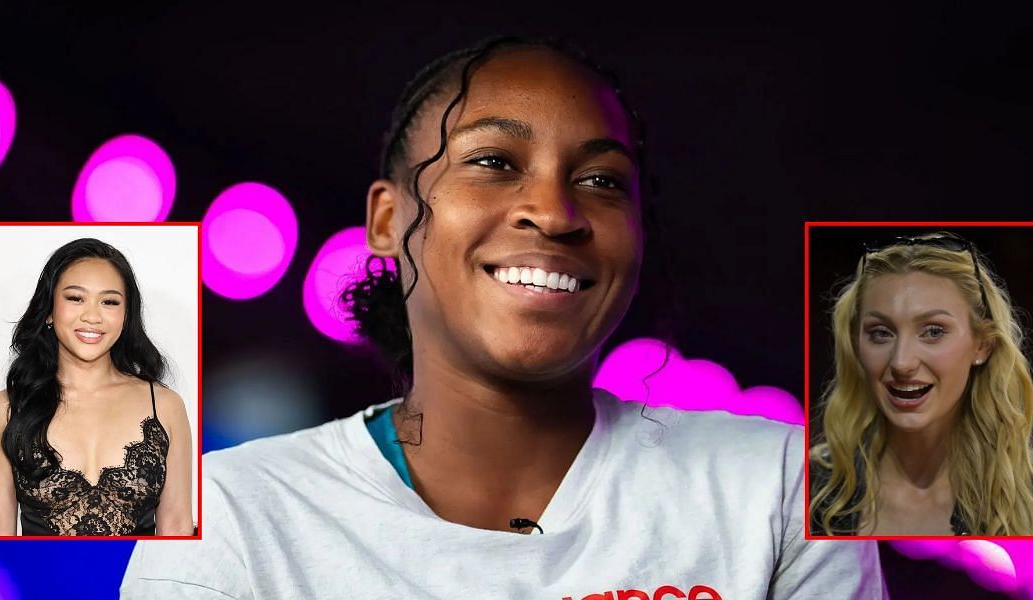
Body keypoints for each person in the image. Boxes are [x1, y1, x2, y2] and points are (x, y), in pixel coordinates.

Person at [122, 36, 884, 597]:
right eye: (494, 163)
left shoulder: (779, 487)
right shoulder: (231, 516)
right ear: (387, 220)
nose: (554, 212)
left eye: (601, 180)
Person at [810, 232, 1033, 536]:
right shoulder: (808, 489)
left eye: (933, 331)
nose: (901, 362)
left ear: (982, 345)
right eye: (881, 333)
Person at [0, 238, 195, 536]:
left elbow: (178, 528)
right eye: (75, 298)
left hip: (133, 582)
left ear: (126, 315)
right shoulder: (5, 410)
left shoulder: (166, 406)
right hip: (40, 581)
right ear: (49, 311)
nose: (92, 316)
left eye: (109, 302)